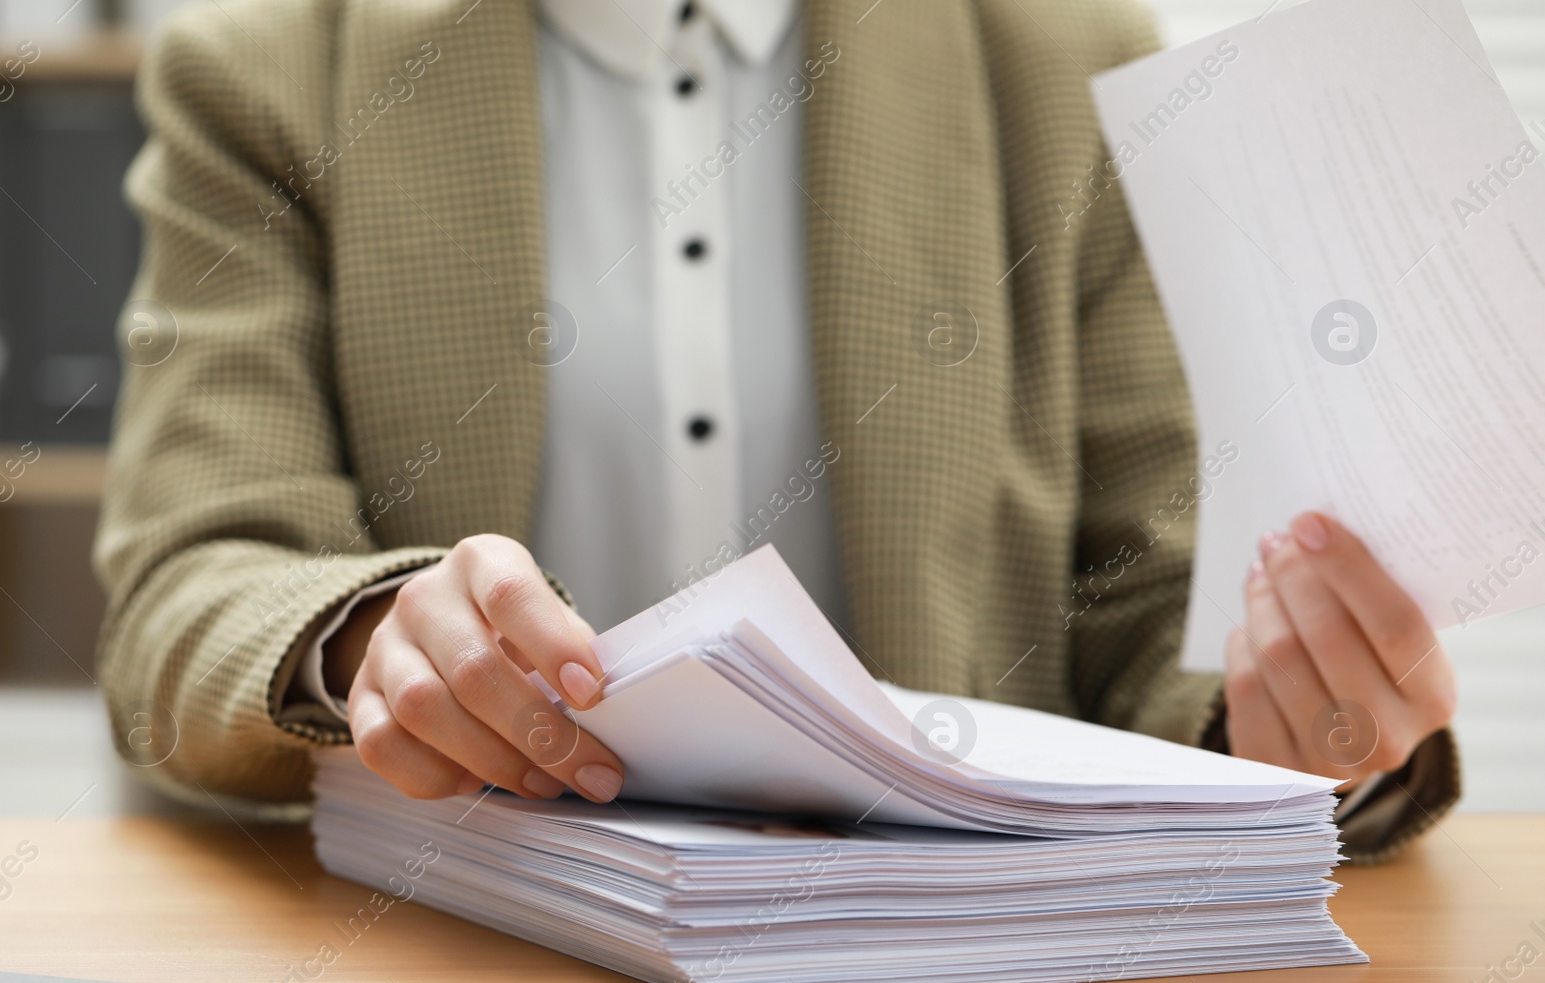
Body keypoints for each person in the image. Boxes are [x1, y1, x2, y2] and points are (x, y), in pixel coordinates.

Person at [95, 0, 1456, 860]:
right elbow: (190, 583)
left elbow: (1155, 602)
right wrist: (370, 639)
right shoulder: (269, 65)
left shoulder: (1061, 59)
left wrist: (1276, 728)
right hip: (462, 967)